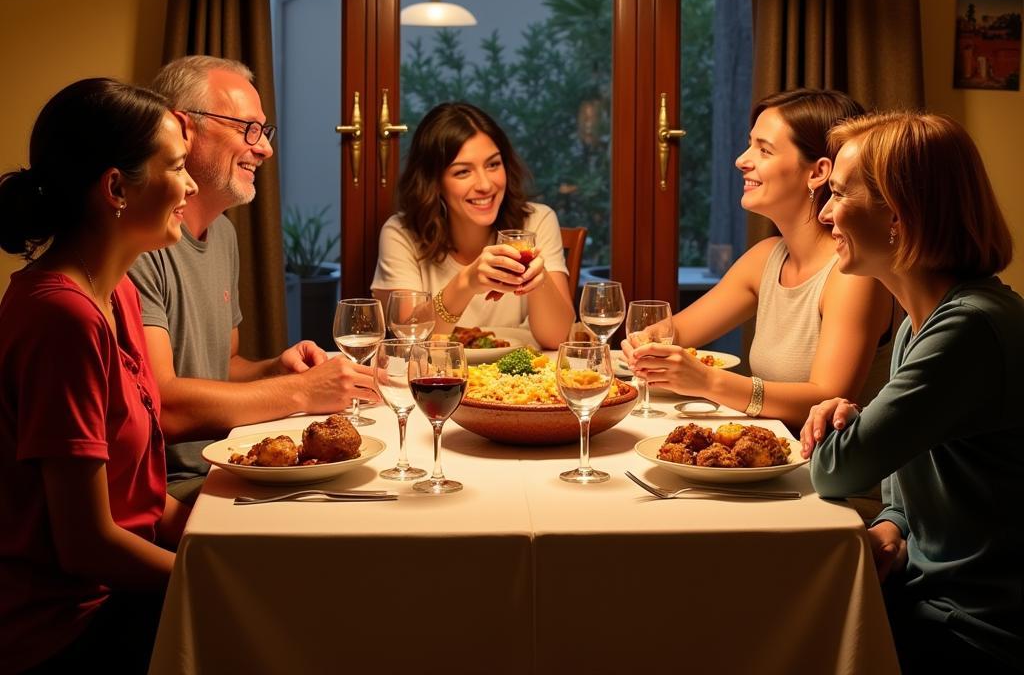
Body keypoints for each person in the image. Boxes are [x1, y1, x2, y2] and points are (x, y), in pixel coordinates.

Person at [801, 112, 1023, 674]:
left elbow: (836, 472)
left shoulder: (967, 330)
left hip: (976, 627)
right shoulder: (918, 325)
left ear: (898, 216)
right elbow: (900, 487)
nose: (824, 214)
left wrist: (844, 430)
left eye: (839, 194)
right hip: (932, 598)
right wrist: (893, 528)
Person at [0, 78, 197, 672]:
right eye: (179, 167)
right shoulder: (61, 316)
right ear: (115, 187)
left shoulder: (119, 296)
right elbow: (86, 541)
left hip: (121, 589)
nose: (190, 186)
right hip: (66, 626)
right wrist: (211, 575)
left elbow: (140, 497)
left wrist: (221, 542)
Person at [129, 56, 377, 502]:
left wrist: (275, 370)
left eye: (264, 131)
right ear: (184, 128)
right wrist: (299, 392)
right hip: (173, 489)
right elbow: (161, 402)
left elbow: (223, 369)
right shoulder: (139, 240)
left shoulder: (222, 232)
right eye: (247, 128)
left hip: (223, 467)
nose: (264, 148)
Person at [624, 88, 895, 429]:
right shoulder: (766, 257)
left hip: (824, 476)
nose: (742, 159)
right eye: (750, 143)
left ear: (817, 172)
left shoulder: (853, 274)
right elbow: (675, 331)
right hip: (772, 459)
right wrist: (649, 340)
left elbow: (826, 399)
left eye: (763, 149)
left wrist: (707, 381)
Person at [372, 101, 575, 349]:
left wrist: (538, 279)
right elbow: (409, 338)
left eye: (493, 165)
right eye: (462, 172)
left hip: (520, 380)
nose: (485, 185)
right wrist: (466, 283)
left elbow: (558, 340)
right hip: (438, 379)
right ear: (434, 182)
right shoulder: (401, 233)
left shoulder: (537, 220)